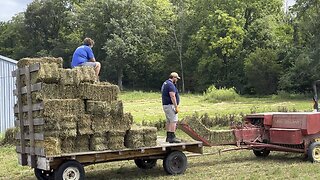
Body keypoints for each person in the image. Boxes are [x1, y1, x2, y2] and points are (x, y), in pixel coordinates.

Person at [161, 72, 181, 143]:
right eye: (177, 78)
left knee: (169, 121)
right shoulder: (170, 85)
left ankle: (168, 136)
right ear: (174, 78)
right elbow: (172, 96)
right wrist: (176, 107)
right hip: (170, 105)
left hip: (165, 105)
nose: (177, 80)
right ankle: (172, 137)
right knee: (174, 120)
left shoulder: (165, 83)